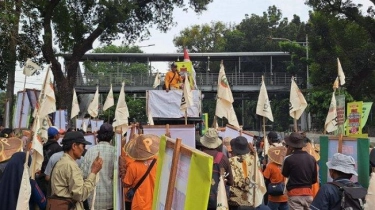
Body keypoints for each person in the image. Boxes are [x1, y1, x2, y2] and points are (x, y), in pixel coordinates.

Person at [50, 131, 103, 210]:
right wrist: (93, 172)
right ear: (74, 146)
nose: (83, 150)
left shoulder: (62, 162)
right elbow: (81, 194)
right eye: (83, 146)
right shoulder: (70, 165)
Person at [80, 123, 115, 210]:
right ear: (112, 137)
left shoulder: (90, 151)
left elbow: (83, 175)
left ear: (98, 136)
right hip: (110, 199)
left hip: (92, 199)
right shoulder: (115, 152)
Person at [228, 136, 267, 210]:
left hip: (234, 200)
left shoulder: (230, 161)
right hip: (251, 197)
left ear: (234, 148)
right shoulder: (254, 159)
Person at [123, 134, 160, 210]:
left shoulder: (133, 166)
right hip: (156, 203)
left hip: (139, 205)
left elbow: (126, 184)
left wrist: (123, 173)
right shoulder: (158, 161)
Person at [281, 132, 317, 210]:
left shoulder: (288, 159)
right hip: (308, 194)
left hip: (294, 194)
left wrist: (287, 155)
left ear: (290, 146)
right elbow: (314, 180)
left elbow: (284, 174)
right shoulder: (312, 158)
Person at [38, 126, 63, 195]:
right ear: (56, 136)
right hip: (52, 179)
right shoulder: (58, 149)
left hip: (42, 177)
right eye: (59, 134)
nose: (60, 135)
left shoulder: (42, 146)